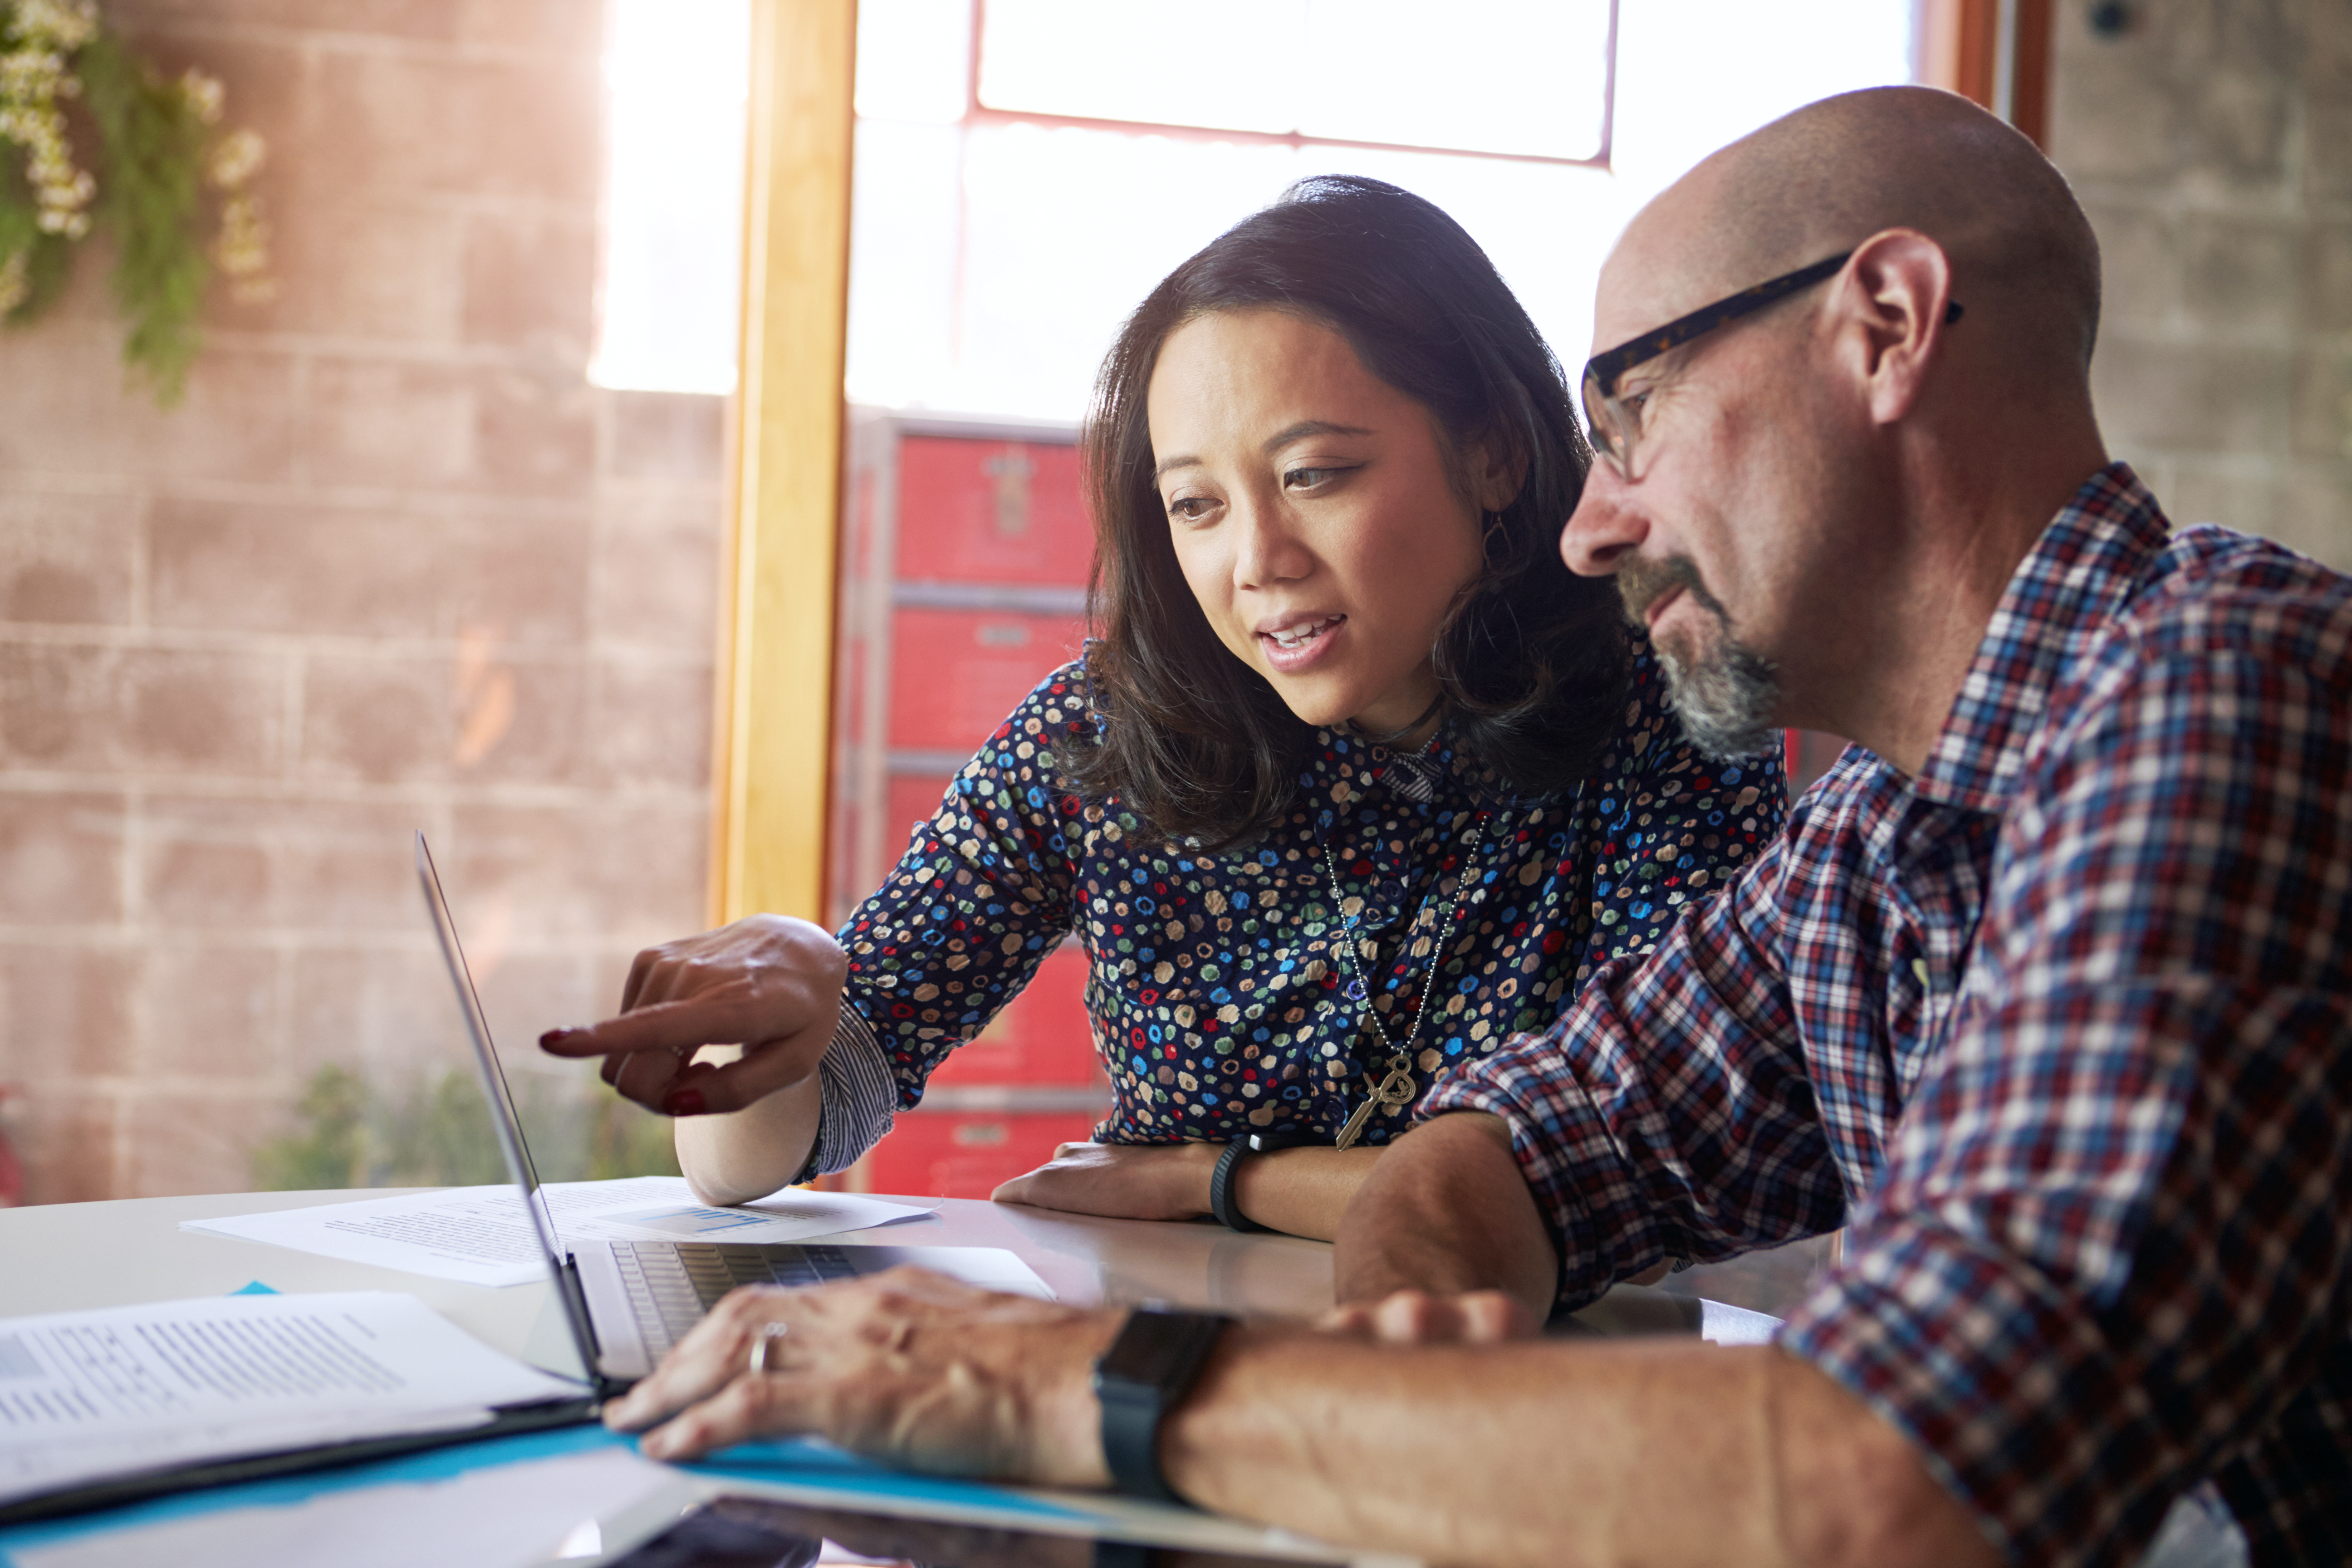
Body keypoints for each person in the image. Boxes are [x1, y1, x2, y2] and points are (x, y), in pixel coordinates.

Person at [588, 87, 2350, 1568]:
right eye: (1196, 503)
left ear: (1885, 325)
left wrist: (1067, 1380)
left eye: (1633, 413)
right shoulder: (1883, 829)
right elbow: (1516, 1147)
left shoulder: (2222, 690)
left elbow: (1904, 1480)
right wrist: (1395, 1415)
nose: (1596, 523)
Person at [542, 175, 1783, 1240]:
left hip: (1532, 1397)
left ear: (1494, 453)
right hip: (1176, 1386)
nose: (1258, 561)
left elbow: (1652, 1165)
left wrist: (1221, 1183)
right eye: (1198, 505)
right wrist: (791, 997)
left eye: (1314, 475)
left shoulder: (1662, 709)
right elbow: (752, 1162)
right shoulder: (1105, 733)